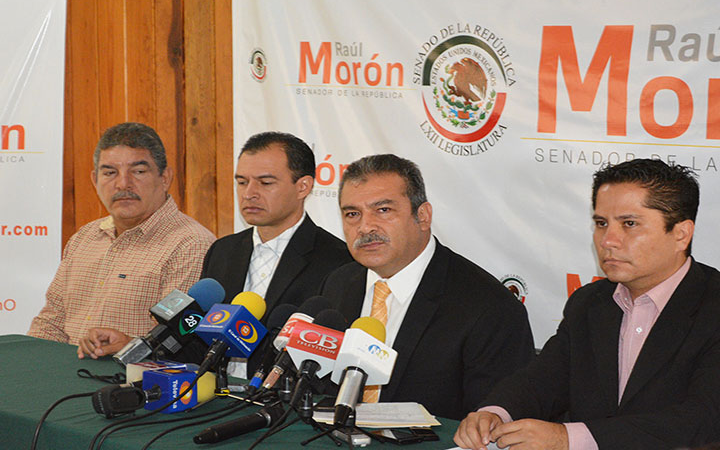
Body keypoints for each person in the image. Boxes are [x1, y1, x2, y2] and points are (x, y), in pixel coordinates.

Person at [454, 158, 720, 450]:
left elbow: (703, 419)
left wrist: (567, 438)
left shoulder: (712, 306)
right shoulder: (589, 302)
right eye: (601, 223)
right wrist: (495, 412)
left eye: (629, 224)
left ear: (681, 234)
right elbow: (543, 380)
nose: (608, 240)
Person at [320, 154, 535, 420]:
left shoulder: (490, 308)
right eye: (352, 214)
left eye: (383, 210)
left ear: (422, 216)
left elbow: (491, 425)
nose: (365, 227)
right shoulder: (338, 283)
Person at [27, 122, 215, 359]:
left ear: (165, 178)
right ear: (95, 180)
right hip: (65, 374)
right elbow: (51, 323)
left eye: (138, 171)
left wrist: (130, 346)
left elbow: (176, 343)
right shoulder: (84, 238)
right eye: (110, 173)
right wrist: (29, 364)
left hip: (132, 379)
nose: (123, 184)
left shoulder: (190, 245)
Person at [200, 131, 351, 316]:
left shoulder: (338, 261)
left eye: (265, 183)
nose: (248, 194)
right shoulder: (222, 251)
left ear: (303, 187)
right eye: (242, 182)